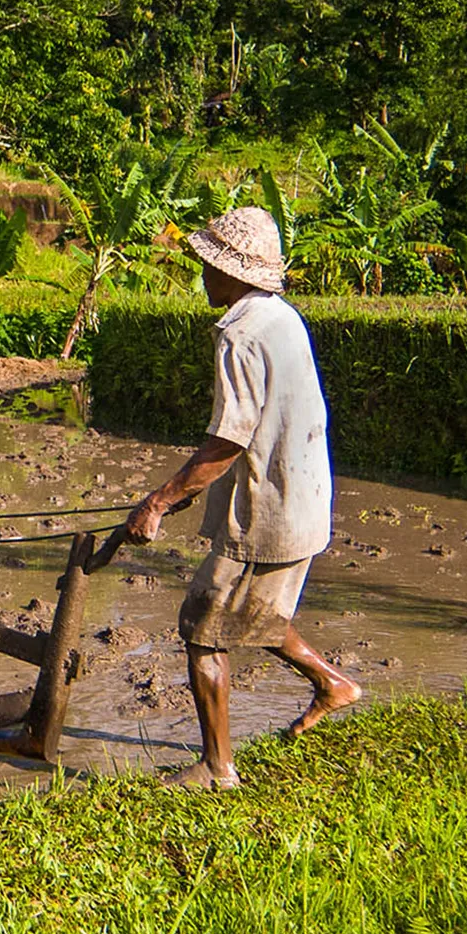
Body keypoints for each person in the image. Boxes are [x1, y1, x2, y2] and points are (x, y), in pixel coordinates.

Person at [123, 206, 362, 789]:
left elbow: (229, 439)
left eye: (210, 266)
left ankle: (217, 767)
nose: (203, 275)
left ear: (233, 273)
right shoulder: (281, 316)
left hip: (266, 512)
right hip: (304, 499)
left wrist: (159, 501)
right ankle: (333, 684)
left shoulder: (240, 334)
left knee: (202, 627)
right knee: (256, 613)